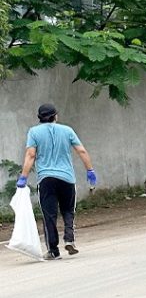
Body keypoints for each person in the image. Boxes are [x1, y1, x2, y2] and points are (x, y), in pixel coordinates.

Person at [17, 103, 97, 260]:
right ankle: (69, 239)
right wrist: (90, 170)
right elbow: (81, 150)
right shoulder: (67, 130)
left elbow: (31, 155)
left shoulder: (33, 132)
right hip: (67, 178)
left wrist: (23, 177)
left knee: (49, 215)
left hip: (46, 179)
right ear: (55, 116)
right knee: (68, 210)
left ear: (40, 118)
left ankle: (53, 251)